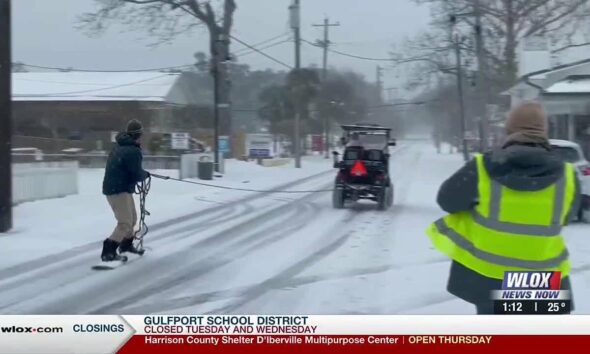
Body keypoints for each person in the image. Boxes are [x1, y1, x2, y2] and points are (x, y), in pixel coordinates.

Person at [426, 102, 581, 314]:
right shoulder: (568, 176)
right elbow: (566, 217)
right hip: (543, 279)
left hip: (492, 278)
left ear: (509, 131)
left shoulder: (482, 168)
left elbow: (447, 201)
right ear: (544, 132)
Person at [101, 119, 150, 261]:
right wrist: (144, 175)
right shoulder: (132, 151)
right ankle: (108, 251)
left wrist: (141, 174)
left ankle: (126, 245)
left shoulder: (119, 146)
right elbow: (136, 173)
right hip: (118, 190)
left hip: (121, 188)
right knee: (125, 223)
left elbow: (129, 170)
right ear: (138, 135)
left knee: (132, 219)